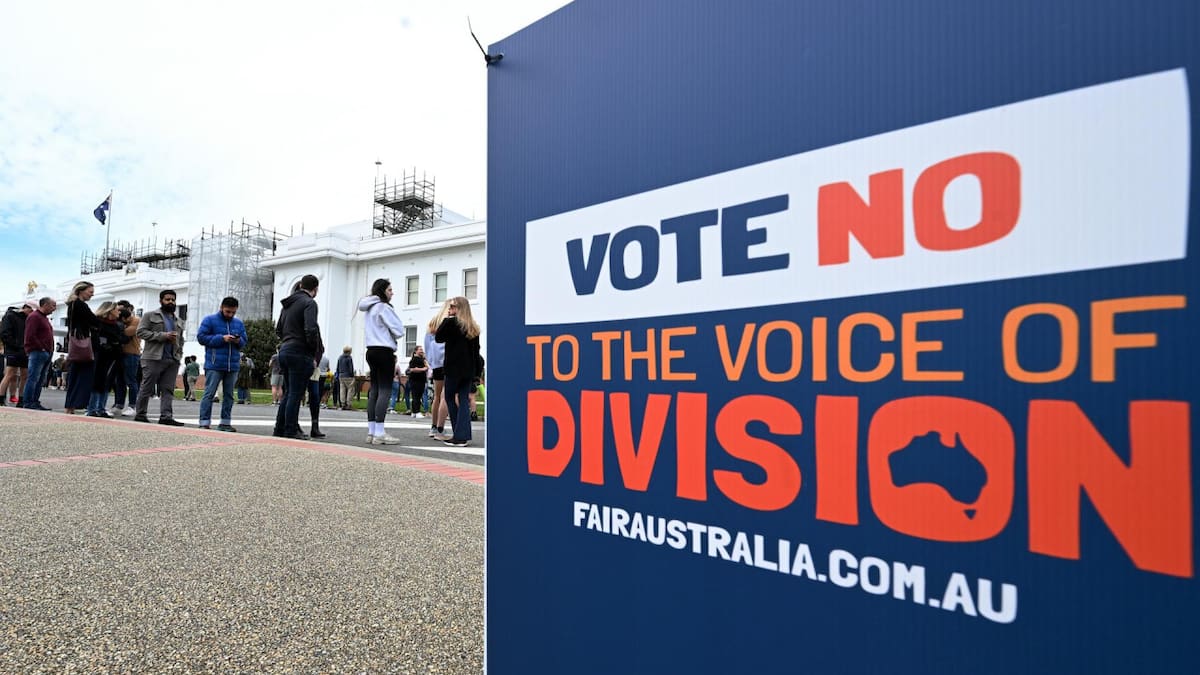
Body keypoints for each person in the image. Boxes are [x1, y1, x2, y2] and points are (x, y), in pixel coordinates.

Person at [273, 275, 323, 440]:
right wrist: (312, 351)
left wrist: (288, 339)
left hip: (285, 349)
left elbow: (278, 329)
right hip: (300, 351)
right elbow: (311, 329)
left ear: (301, 285)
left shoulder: (287, 305)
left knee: (288, 393)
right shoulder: (309, 303)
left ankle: (280, 428)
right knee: (295, 393)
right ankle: (291, 429)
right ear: (315, 289)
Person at [356, 278, 405, 445]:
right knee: (385, 390)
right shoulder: (384, 307)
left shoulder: (369, 308)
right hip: (384, 351)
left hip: (371, 350)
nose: (392, 293)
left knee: (374, 390)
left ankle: (371, 431)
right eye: (389, 290)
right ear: (383, 291)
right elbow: (399, 330)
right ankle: (380, 432)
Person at [434, 295, 482, 447]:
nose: (450, 309)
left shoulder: (451, 323)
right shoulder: (473, 327)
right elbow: (476, 352)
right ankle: (463, 434)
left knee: (449, 397)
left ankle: (458, 434)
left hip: (453, 368)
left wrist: (446, 319)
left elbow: (438, 337)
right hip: (468, 370)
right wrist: (477, 373)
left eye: (453, 306)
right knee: (463, 400)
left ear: (459, 308)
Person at [133, 289, 186, 426]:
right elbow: (140, 332)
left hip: (172, 359)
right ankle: (140, 414)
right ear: (161, 301)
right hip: (153, 357)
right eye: (167, 299)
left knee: (168, 389)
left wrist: (179, 354)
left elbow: (181, 339)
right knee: (147, 387)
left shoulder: (179, 320)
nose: (171, 302)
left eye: (173, 300)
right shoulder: (150, 315)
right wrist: (163, 336)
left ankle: (166, 416)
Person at [196, 296, 248, 432]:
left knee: (229, 395)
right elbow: (201, 337)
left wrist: (238, 341)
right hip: (214, 364)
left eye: (233, 312)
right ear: (221, 308)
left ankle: (225, 423)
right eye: (227, 312)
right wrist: (221, 338)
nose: (230, 315)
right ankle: (204, 422)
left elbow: (244, 341)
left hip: (232, 365)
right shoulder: (209, 320)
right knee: (209, 393)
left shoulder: (238, 323)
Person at [64, 281, 98, 415]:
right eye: (90, 292)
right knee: (83, 376)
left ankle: (70, 405)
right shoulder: (81, 305)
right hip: (84, 343)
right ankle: (76, 403)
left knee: (74, 375)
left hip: (75, 344)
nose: (92, 294)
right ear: (81, 291)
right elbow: (93, 321)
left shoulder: (71, 305)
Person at [86, 302, 124, 417]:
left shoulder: (116, 325)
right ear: (109, 310)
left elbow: (121, 339)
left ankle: (101, 408)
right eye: (116, 309)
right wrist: (107, 345)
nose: (119, 312)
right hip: (100, 356)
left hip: (113, 357)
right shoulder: (98, 323)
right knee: (97, 381)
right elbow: (95, 339)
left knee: (107, 383)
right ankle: (92, 408)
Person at [21, 297, 56, 410]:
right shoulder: (34, 317)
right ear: (45, 305)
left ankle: (35, 401)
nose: (54, 308)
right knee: (33, 378)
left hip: (46, 352)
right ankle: (28, 402)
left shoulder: (44, 318)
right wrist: (41, 348)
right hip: (38, 352)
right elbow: (30, 335)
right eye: (53, 305)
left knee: (40, 380)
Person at [423, 301, 450, 437]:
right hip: (448, 362)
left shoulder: (433, 323)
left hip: (436, 365)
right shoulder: (449, 322)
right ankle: (440, 427)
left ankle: (433, 427)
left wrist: (431, 362)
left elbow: (427, 346)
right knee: (446, 396)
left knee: (437, 396)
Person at [111, 300, 140, 416]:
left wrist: (117, 328)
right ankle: (119, 404)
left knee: (131, 380)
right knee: (119, 381)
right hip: (119, 354)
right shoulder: (121, 321)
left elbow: (127, 333)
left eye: (121, 309)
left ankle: (132, 406)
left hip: (132, 353)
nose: (118, 312)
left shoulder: (136, 320)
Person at [0, 301, 33, 406]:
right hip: (13, 350)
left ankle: (21, 400)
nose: (32, 313)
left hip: (24, 350)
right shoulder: (9, 316)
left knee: (24, 375)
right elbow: (4, 333)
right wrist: (15, 345)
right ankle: (1, 398)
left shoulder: (28, 319)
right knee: (10, 374)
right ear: (26, 308)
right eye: (31, 310)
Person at [407, 345, 429, 417]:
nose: (422, 351)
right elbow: (412, 369)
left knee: (418, 396)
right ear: (416, 351)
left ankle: (414, 412)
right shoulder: (414, 359)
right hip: (415, 380)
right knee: (416, 396)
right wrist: (423, 369)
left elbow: (427, 366)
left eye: (422, 349)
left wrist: (425, 362)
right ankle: (417, 412)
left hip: (421, 380)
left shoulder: (422, 359)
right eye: (420, 349)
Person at [336, 346, 355, 410]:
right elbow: (351, 368)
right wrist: (353, 376)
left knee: (342, 390)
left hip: (341, 375)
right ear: (349, 351)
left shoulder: (340, 357)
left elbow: (337, 367)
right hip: (348, 376)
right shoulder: (349, 358)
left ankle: (343, 404)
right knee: (350, 389)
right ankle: (349, 404)